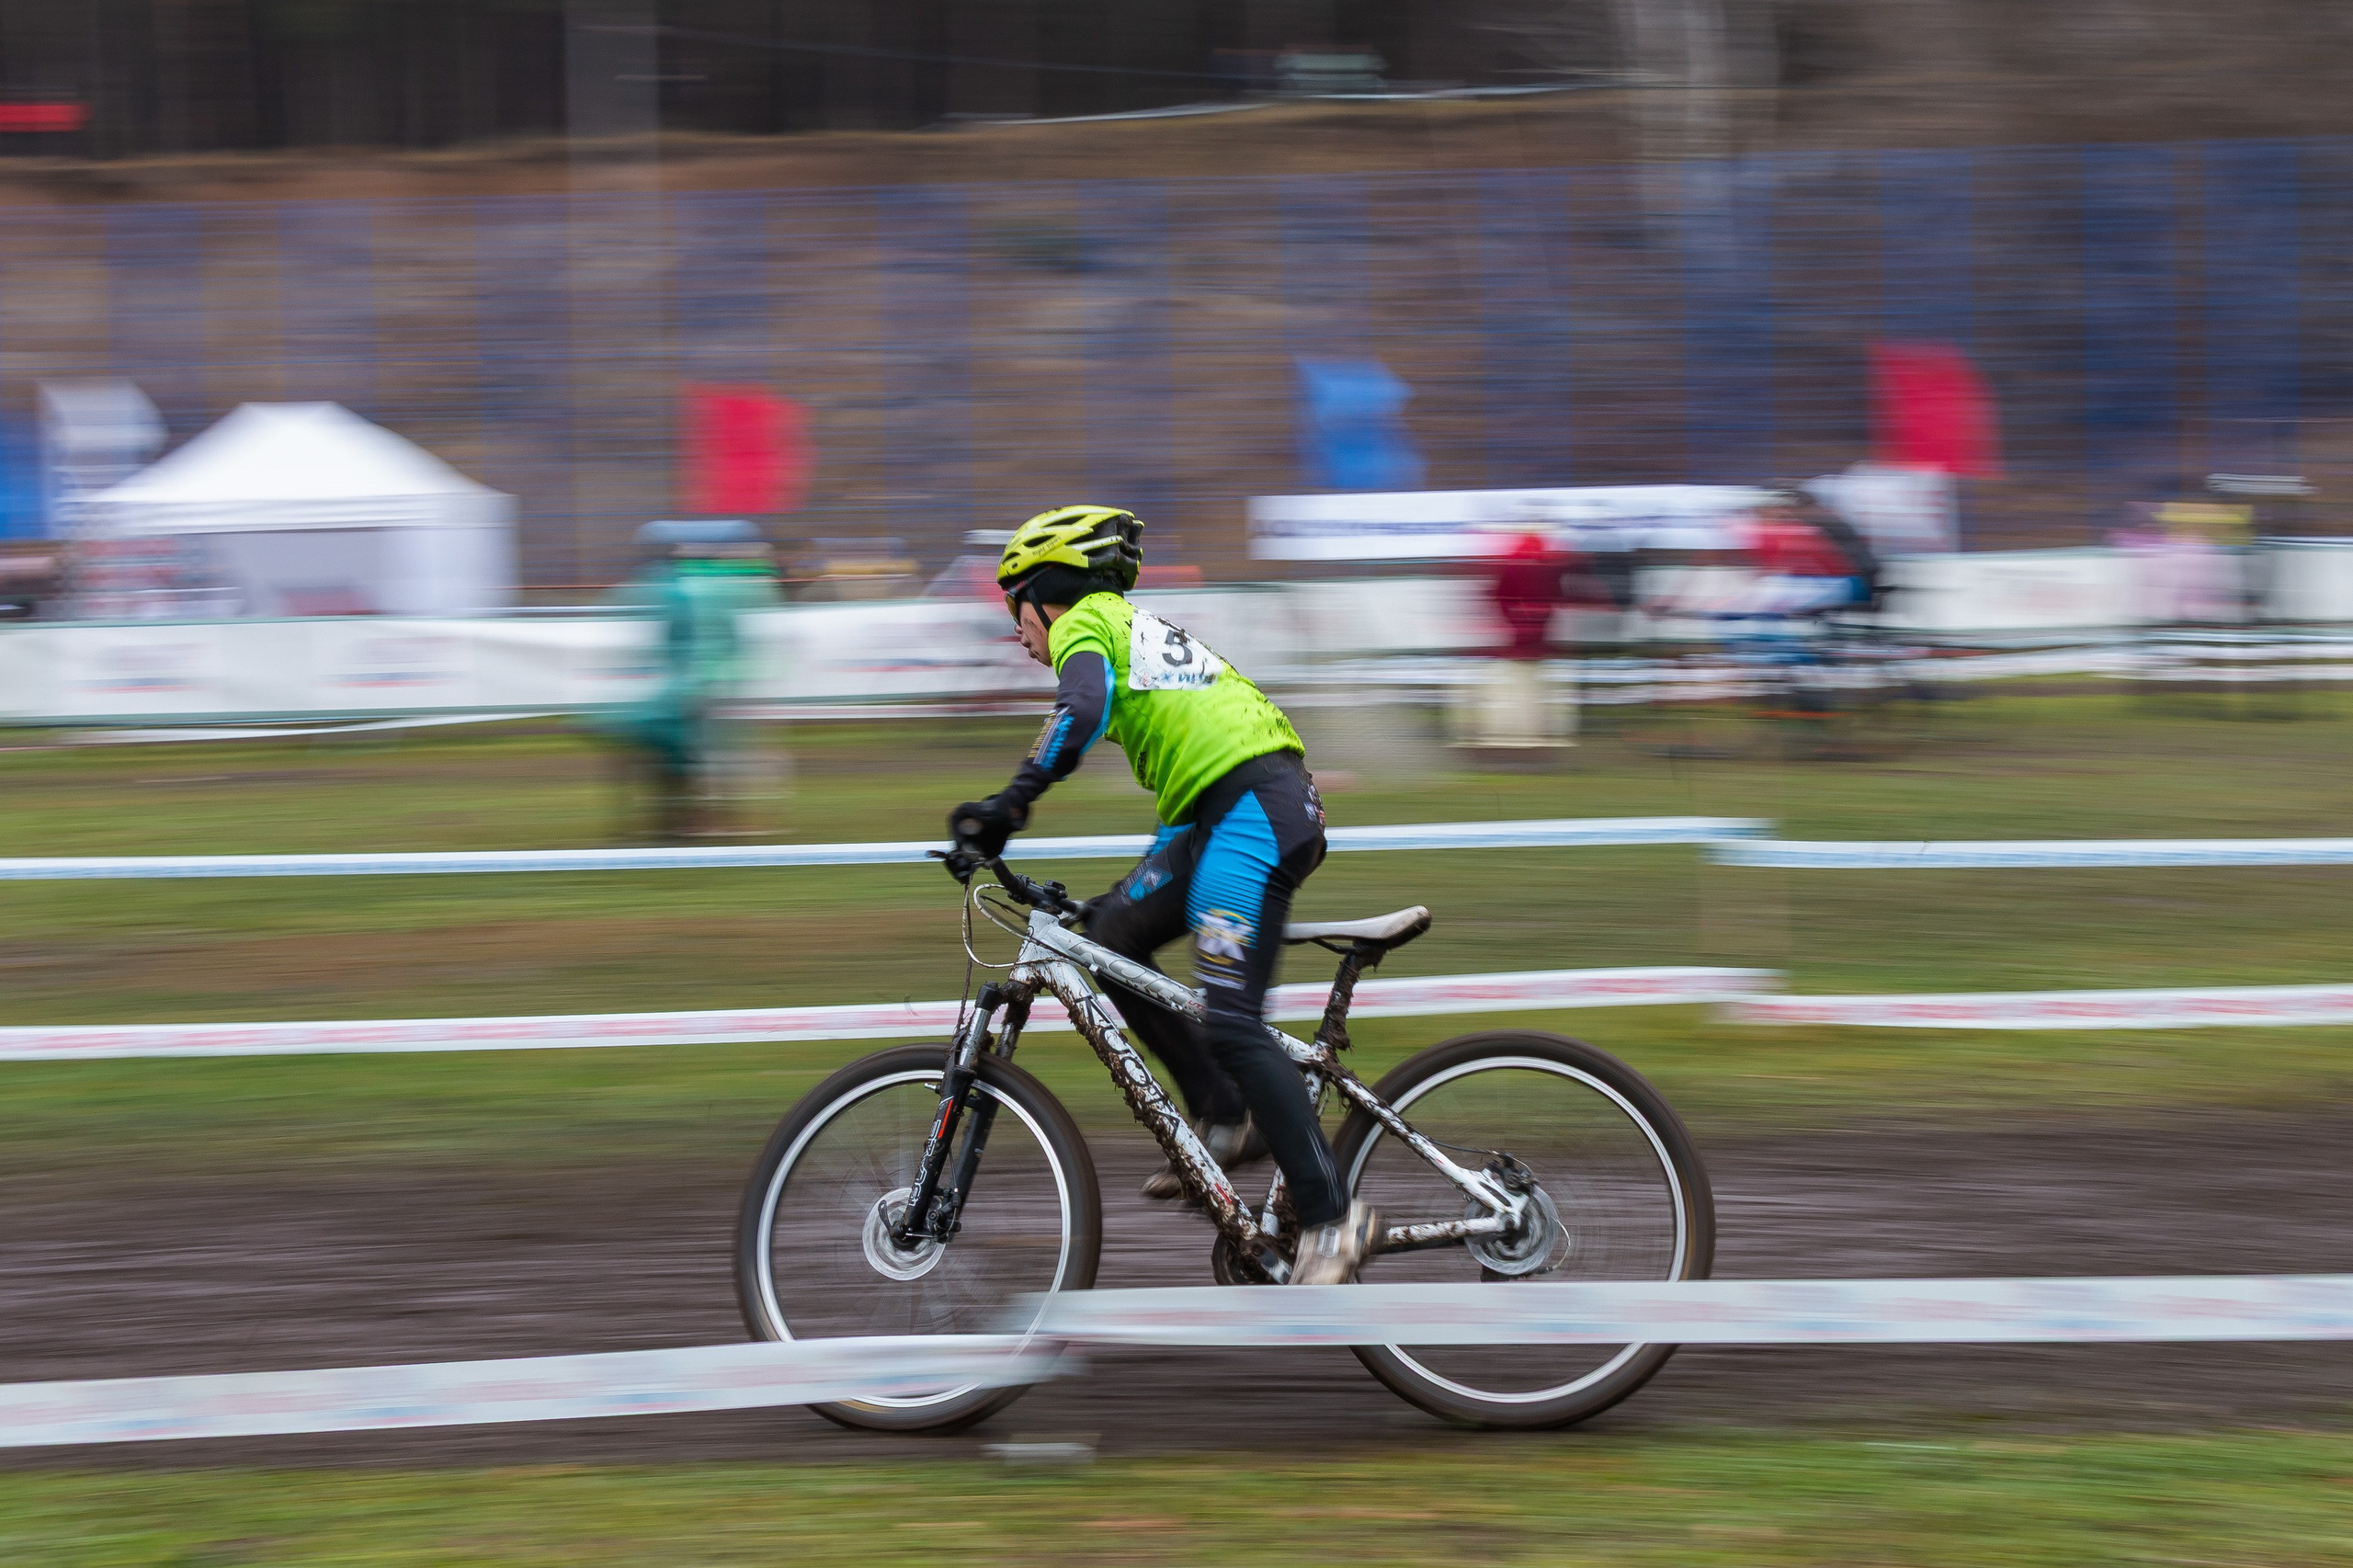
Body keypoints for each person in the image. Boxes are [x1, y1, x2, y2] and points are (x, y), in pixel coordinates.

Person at [948, 505, 1377, 1286]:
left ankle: (1331, 1218)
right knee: (1109, 939)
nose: (1017, 630)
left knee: (1233, 1021)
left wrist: (1009, 805)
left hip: (1249, 812)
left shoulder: (1083, 622)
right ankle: (1224, 1116)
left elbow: (1076, 713)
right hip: (1226, 811)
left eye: (1015, 607)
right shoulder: (1123, 623)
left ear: (1046, 592)